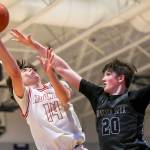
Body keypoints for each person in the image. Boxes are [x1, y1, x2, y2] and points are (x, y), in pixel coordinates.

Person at [11, 29, 150, 150]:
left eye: (108, 74)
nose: (103, 79)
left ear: (121, 78)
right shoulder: (97, 95)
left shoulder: (135, 98)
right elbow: (63, 68)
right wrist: (33, 45)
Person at [0, 37, 87, 150]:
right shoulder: (26, 97)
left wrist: (51, 74)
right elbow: (15, 73)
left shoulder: (57, 84)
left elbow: (65, 99)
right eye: (24, 71)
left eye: (30, 69)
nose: (29, 70)